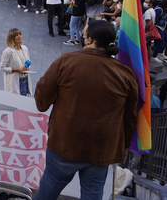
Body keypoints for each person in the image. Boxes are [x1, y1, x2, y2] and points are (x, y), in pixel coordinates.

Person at [34, 20, 138, 200]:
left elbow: (41, 101)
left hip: (65, 143)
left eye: (83, 35)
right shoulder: (125, 74)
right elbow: (130, 117)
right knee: (93, 193)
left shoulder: (66, 62)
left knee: (49, 187)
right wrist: (124, 146)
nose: (83, 38)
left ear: (89, 40)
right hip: (102, 148)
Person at [0, 28, 32, 96]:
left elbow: (28, 61)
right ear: (12, 38)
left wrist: (27, 68)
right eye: (17, 35)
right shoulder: (7, 51)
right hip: (15, 81)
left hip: (24, 79)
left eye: (20, 34)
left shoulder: (25, 48)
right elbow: (2, 68)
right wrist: (17, 70)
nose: (19, 36)